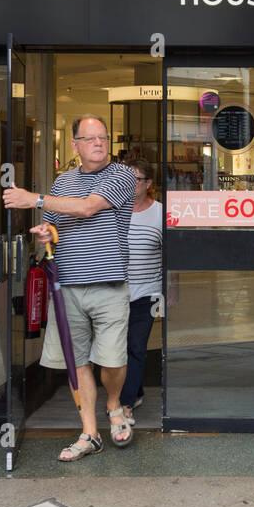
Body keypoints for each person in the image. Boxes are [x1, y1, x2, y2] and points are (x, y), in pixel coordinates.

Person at [3, 115, 137, 456]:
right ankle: (90, 433)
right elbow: (53, 226)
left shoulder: (121, 175)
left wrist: (33, 199)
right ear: (75, 145)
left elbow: (89, 208)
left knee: (111, 360)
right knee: (77, 361)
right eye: (90, 138)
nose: (99, 144)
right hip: (68, 286)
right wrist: (45, 232)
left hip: (108, 283)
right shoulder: (62, 183)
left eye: (103, 137)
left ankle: (114, 403)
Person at [94, 159, 165, 421]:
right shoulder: (112, 209)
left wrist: (174, 287)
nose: (130, 184)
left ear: (148, 184)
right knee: (115, 348)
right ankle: (134, 390)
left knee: (136, 347)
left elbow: (170, 253)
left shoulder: (160, 213)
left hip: (147, 291)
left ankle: (124, 404)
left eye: (135, 179)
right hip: (113, 292)